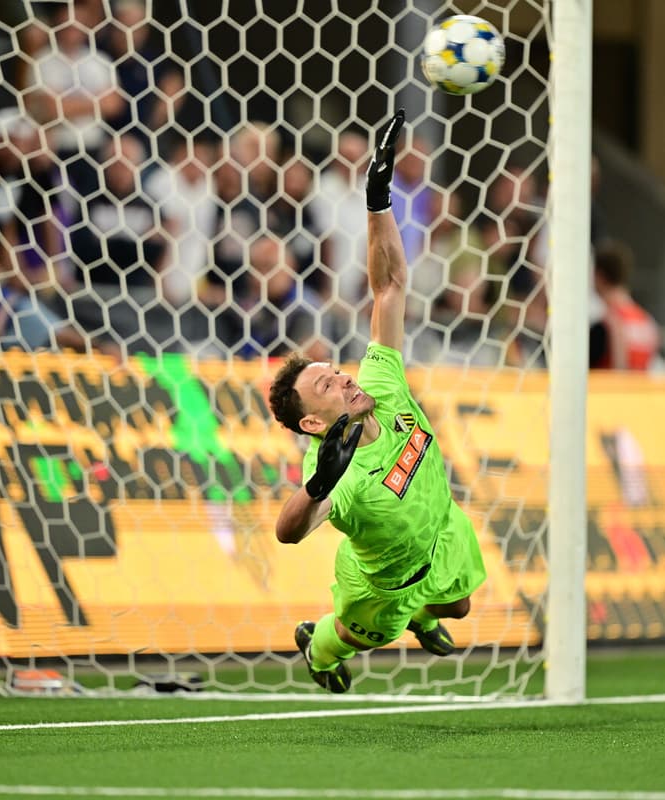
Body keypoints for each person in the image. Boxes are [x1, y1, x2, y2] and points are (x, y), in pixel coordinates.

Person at [266, 110, 487, 693]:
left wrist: (378, 197)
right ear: (314, 421)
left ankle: (424, 613)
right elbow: (287, 533)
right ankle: (318, 648)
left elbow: (388, 286)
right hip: (381, 587)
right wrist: (317, 488)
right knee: (346, 633)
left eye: (335, 370)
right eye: (326, 385)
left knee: (459, 608)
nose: (342, 378)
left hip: (441, 532)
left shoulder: (381, 385)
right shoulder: (334, 476)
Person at [590, 239, 659, 371]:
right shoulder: (647, 323)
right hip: (637, 390)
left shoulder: (607, 324)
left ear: (599, 276)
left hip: (608, 389)